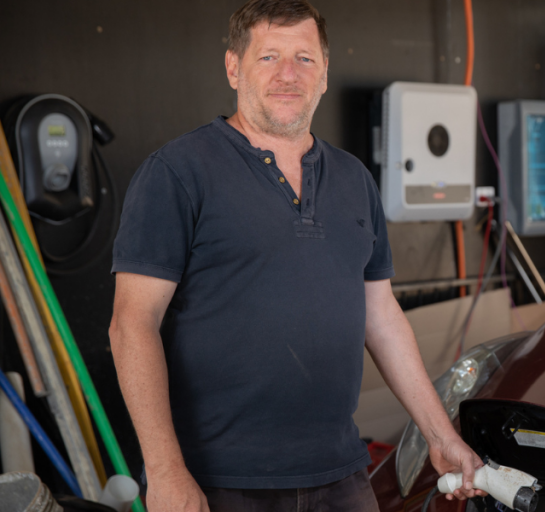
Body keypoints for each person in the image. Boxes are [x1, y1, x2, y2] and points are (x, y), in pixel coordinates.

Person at [107, 1, 483, 510]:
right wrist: (166, 471)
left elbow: (382, 318)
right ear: (233, 67)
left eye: (305, 58)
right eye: (269, 57)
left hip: (342, 475)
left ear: (325, 72)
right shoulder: (177, 173)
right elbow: (132, 325)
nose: (288, 74)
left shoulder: (355, 180)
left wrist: (441, 435)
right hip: (218, 481)